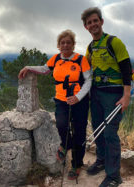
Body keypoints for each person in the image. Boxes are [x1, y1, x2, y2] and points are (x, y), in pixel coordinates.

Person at [18, 29, 92, 180]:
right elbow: (45, 69)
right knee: (61, 124)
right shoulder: (56, 58)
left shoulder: (80, 60)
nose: (65, 45)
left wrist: (78, 97)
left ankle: (77, 164)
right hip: (61, 99)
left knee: (79, 132)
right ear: (58, 45)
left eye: (68, 42)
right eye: (62, 43)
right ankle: (66, 144)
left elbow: (89, 80)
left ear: (73, 45)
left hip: (79, 101)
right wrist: (29, 67)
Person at [81, 7, 132, 187]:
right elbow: (86, 69)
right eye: (89, 23)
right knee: (98, 129)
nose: (93, 24)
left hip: (114, 94)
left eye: (95, 21)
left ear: (101, 22)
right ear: (86, 27)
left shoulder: (114, 42)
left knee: (110, 133)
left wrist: (127, 96)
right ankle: (102, 160)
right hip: (96, 94)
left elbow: (126, 69)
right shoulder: (91, 47)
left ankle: (114, 176)